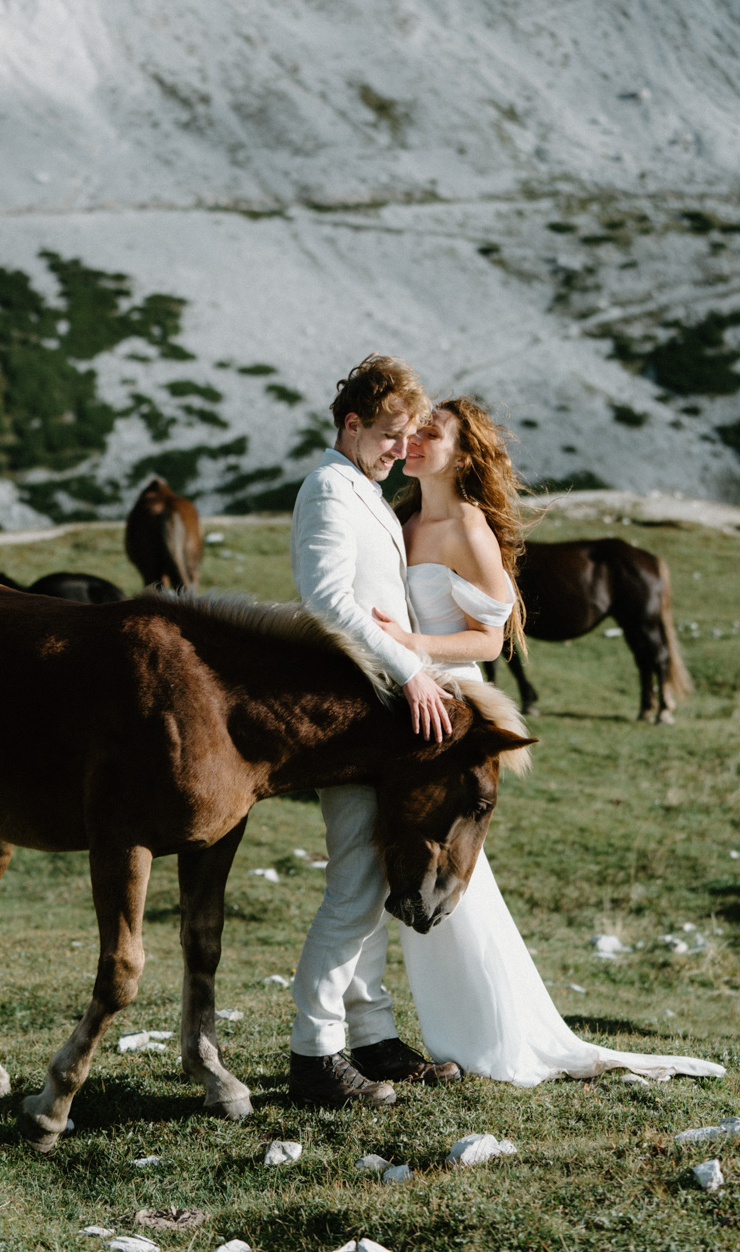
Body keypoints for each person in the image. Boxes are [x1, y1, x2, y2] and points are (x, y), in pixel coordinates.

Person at [375, 398, 725, 1085]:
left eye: (431, 433)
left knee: (452, 867)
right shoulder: (403, 518)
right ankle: (446, 1030)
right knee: (418, 862)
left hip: (452, 709)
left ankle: (491, 1038)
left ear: (464, 455)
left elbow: (492, 636)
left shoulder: (468, 528)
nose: (414, 441)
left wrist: (414, 645)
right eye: (413, 431)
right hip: (404, 706)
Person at [288, 354, 461, 1108]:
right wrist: (411, 669)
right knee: (354, 888)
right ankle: (315, 1055)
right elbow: (325, 598)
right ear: (351, 424)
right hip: (350, 711)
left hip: (379, 716)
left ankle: (376, 1039)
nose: (401, 448)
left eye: (409, 436)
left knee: (370, 879)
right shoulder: (329, 488)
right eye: (391, 434)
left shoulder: (362, 488)